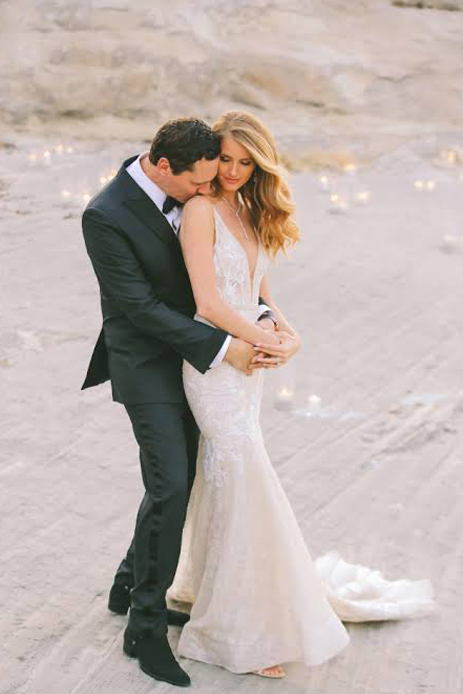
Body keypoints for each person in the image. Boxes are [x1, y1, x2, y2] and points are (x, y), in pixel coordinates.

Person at [165, 110, 435, 679]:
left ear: (259, 165)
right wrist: (263, 340)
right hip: (216, 367)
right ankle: (241, 627)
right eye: (226, 159)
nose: (233, 171)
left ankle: (207, 589)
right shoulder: (200, 210)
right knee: (244, 479)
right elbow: (208, 302)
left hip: (252, 365)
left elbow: (258, 292)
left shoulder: (246, 210)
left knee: (228, 481)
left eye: (245, 162)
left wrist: (290, 336)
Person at [81, 117, 297, 688]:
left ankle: (127, 583)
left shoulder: (197, 178)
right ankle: (145, 628)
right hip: (149, 363)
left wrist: (270, 326)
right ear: (162, 167)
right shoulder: (105, 215)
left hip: (205, 358)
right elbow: (140, 307)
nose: (210, 188)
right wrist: (229, 347)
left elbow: (235, 277)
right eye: (198, 183)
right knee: (171, 485)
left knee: (185, 478)